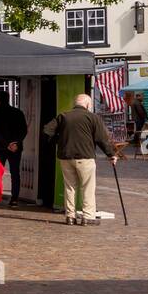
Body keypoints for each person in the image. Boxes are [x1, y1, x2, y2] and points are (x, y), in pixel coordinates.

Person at [43, 93, 117, 226]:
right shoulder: (92, 117)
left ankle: (70, 216)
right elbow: (101, 139)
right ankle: (87, 217)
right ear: (88, 104)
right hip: (85, 156)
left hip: (66, 157)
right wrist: (111, 154)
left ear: (75, 104)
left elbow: (47, 131)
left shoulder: (64, 116)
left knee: (70, 187)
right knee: (87, 187)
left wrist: (59, 141)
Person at [0, 90, 28, 207]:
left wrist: (6, 144)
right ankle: (14, 199)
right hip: (15, 148)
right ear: (9, 98)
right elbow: (24, 130)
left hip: (0, 147)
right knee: (15, 173)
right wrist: (15, 143)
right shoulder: (18, 112)